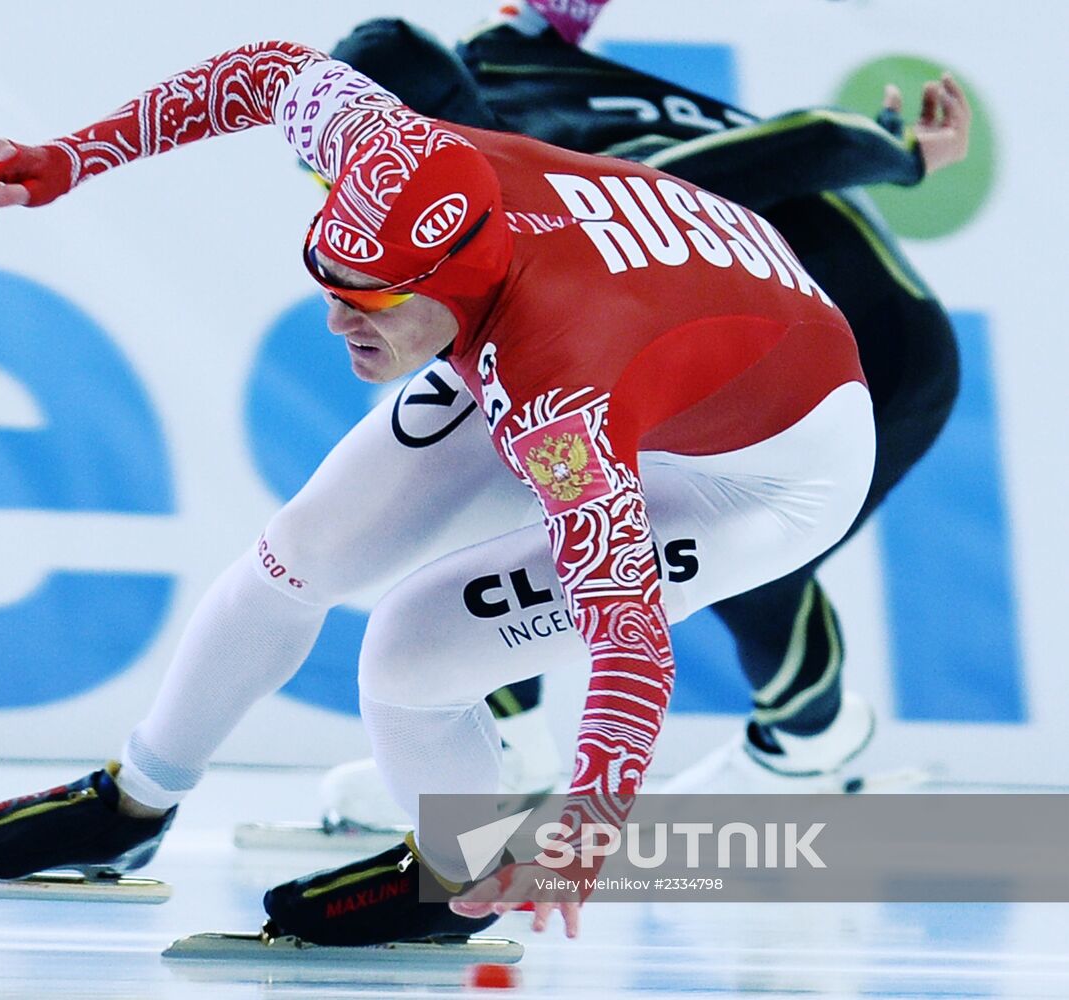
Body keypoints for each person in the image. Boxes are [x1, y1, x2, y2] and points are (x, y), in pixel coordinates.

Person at [0, 28, 964, 942]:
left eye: (371, 300)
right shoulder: (396, 151)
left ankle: (461, 873)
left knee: (412, 645)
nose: (339, 322)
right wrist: (68, 158)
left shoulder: (556, 397)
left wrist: (590, 819)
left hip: (773, 469)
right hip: (636, 312)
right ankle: (131, 804)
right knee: (300, 552)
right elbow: (258, 72)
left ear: (450, 285)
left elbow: (627, 632)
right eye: (328, 283)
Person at [315, 3, 968, 822]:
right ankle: (507, 738)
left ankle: (809, 743)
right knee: (532, 469)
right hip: (766, 327)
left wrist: (905, 154)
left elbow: (801, 145)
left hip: (874, 350)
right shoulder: (503, 52)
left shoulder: (561, 177)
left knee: (723, 538)